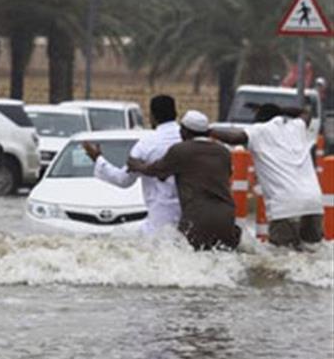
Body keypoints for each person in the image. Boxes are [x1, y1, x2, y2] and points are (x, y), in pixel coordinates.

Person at [210, 103, 323, 250]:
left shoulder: (259, 131)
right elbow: (305, 110)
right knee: (313, 251)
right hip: (313, 202)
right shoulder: (296, 127)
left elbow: (234, 138)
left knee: (281, 257)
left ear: (259, 120)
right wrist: (279, 109)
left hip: (284, 204)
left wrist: (207, 131)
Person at [128, 110, 240, 251]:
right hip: (226, 218)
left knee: (194, 262)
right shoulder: (223, 152)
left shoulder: (181, 150)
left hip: (198, 218)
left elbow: (156, 171)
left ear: (185, 131)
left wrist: (136, 165)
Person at [81, 95, 182, 234]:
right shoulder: (189, 140)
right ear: (176, 114)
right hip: (191, 218)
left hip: (159, 222)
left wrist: (98, 159)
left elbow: (123, 180)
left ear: (152, 116)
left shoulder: (146, 145)